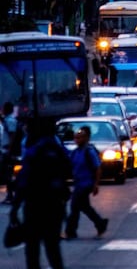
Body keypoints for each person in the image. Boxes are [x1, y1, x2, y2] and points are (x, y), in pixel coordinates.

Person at [10, 118, 71, 269]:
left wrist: (15, 207)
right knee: (53, 249)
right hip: (54, 206)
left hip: (35, 206)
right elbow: (68, 170)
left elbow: (23, 181)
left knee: (32, 249)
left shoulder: (33, 152)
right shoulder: (57, 148)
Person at [63, 126, 108, 239]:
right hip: (78, 184)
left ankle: (70, 231)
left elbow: (98, 168)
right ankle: (100, 223)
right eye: (76, 138)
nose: (77, 140)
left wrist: (96, 184)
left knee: (74, 206)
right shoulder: (75, 152)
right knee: (84, 207)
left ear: (86, 138)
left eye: (80, 138)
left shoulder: (89, 152)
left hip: (86, 184)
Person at [1, 101, 18, 204]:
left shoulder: (10, 121)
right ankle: (10, 194)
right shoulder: (7, 120)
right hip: (6, 149)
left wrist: (9, 150)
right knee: (7, 173)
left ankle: (11, 194)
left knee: (8, 173)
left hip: (8, 149)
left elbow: (12, 135)